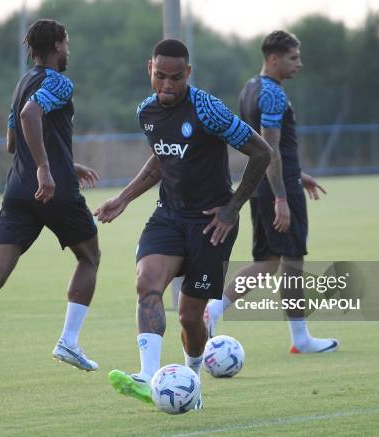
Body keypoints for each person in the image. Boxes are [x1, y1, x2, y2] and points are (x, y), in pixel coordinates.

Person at [95, 39, 284, 408]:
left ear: (189, 74)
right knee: (147, 283)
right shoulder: (146, 112)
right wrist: (122, 198)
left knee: (189, 316)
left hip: (211, 224)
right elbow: (160, 161)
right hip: (167, 216)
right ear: (148, 68)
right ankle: (148, 377)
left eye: (176, 78)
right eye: (160, 76)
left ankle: (191, 379)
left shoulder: (207, 110)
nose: (167, 86)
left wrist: (232, 208)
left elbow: (263, 152)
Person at [0, 19, 101, 391]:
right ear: (56, 46)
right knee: (90, 257)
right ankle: (69, 340)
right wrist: (48, 169)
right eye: (67, 43)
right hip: (52, 190)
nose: (69, 50)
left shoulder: (21, 84)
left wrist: (64, 160)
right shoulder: (59, 81)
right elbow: (31, 116)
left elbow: (12, 143)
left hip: (17, 189)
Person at [205, 30, 339, 354]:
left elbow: (262, 151)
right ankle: (300, 339)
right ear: (273, 58)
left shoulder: (250, 88)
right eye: (293, 57)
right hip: (277, 189)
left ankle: (214, 309)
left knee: (268, 262)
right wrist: (282, 196)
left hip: (263, 185)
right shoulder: (273, 94)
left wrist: (298, 174)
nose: (299, 64)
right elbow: (272, 149)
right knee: (290, 262)